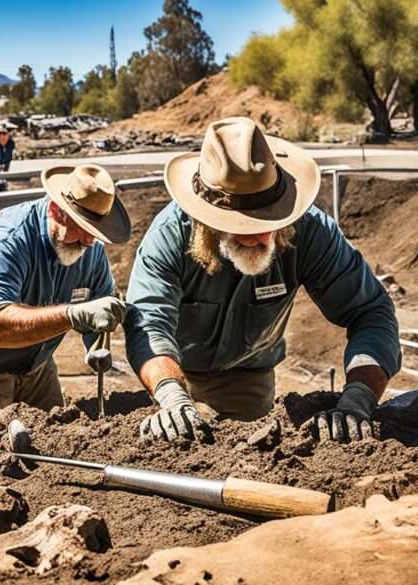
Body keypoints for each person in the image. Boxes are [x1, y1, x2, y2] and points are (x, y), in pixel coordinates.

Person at [124, 117, 400, 444]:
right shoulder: (170, 236)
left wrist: (360, 397)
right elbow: (147, 322)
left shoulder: (311, 231)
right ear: (207, 217)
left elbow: (370, 311)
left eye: (269, 217)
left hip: (247, 375)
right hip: (174, 369)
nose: (258, 235)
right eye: (240, 223)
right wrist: (170, 395)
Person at [0, 164, 132, 428]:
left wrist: (96, 344)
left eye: (94, 231)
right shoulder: (3, 241)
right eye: (82, 227)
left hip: (36, 370)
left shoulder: (89, 248)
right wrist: (71, 315)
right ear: (55, 210)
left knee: (63, 439)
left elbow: (102, 302)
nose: (88, 241)